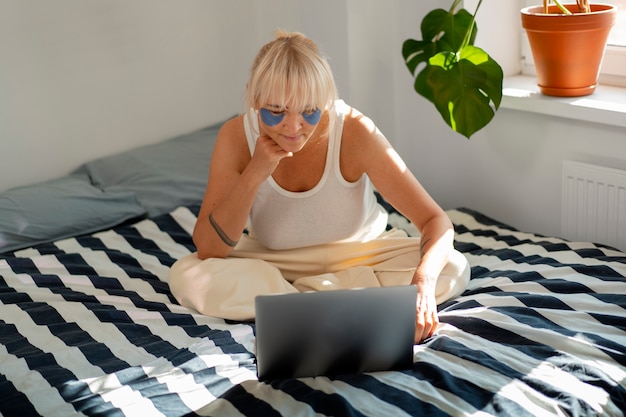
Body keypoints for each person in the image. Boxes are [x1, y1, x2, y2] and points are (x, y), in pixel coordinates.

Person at [168, 31, 470, 343]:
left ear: (325, 101)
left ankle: (295, 307)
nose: (294, 127)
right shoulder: (235, 137)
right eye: (276, 111)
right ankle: (339, 304)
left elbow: (436, 222)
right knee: (187, 274)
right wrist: (255, 172)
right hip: (276, 260)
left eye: (308, 111)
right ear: (255, 100)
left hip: (360, 255)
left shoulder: (354, 130)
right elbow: (209, 248)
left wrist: (422, 284)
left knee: (453, 266)